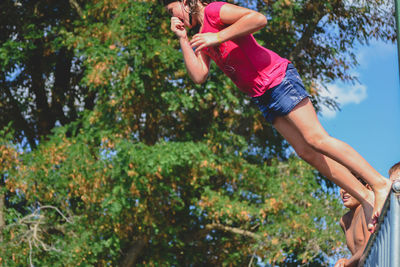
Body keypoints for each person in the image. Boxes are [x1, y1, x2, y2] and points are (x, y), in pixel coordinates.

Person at [162, 0, 391, 232]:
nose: (175, 18)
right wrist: (182, 38)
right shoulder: (201, 35)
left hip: (277, 79)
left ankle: (378, 183)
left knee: (316, 139)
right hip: (262, 95)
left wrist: (218, 37)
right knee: (307, 152)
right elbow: (199, 75)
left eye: (173, 12)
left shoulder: (213, 12)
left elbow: (258, 19)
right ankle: (365, 197)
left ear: (185, 1)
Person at [334, 180, 372, 267]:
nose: (343, 190)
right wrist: (343, 262)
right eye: (341, 185)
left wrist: (347, 263)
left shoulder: (367, 209)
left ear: (367, 188)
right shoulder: (344, 220)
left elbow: (370, 245)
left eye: (349, 185)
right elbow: (356, 255)